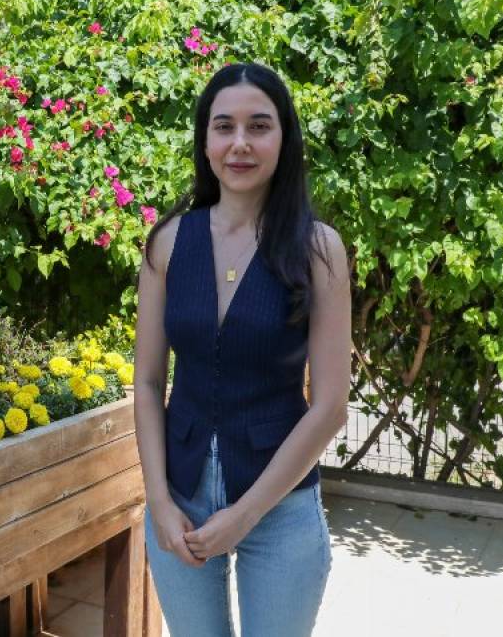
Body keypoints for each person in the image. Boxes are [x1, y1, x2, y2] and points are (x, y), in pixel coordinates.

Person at [133, 62, 351, 636]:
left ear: (284, 137)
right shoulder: (167, 243)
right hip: (179, 500)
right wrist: (158, 501)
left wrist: (244, 515)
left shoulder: (318, 249)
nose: (240, 143)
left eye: (259, 126)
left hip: (279, 509)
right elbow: (149, 382)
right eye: (224, 126)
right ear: (205, 139)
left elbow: (331, 405)